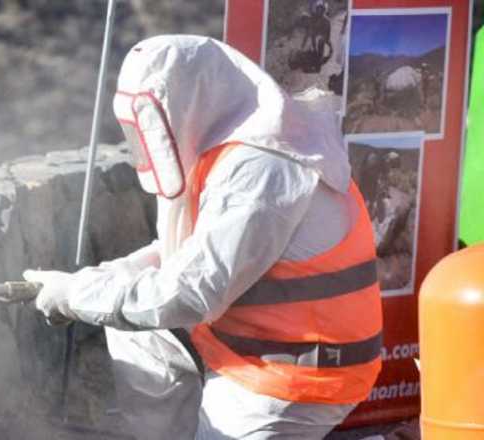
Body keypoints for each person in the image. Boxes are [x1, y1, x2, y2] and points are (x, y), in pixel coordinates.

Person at [23, 35, 383, 439]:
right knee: (136, 330)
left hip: (295, 377)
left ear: (189, 100)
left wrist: (75, 296)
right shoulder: (227, 151)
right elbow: (192, 253)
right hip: (249, 348)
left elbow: (192, 292)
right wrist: (111, 274)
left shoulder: (264, 170)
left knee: (141, 311)